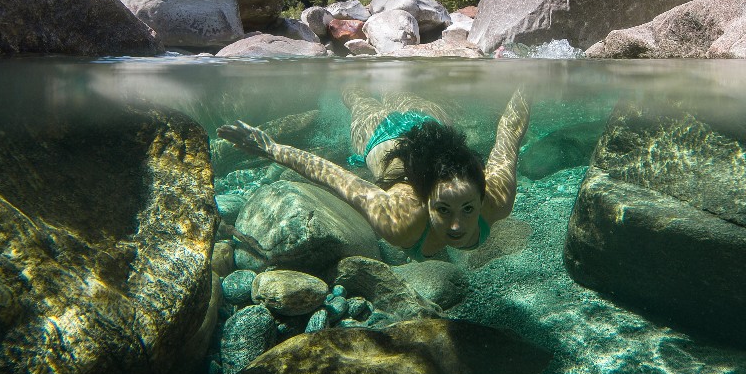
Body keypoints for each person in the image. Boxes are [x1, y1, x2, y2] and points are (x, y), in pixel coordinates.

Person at [216, 88, 529, 260]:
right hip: (379, 135)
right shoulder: (402, 220)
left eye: (468, 208)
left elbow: (510, 132)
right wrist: (272, 149)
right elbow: (335, 177)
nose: (457, 225)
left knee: (395, 89)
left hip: (426, 122)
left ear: (482, 194)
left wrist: (531, 83)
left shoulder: (497, 197)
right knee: (356, 97)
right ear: (424, 201)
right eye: (443, 210)